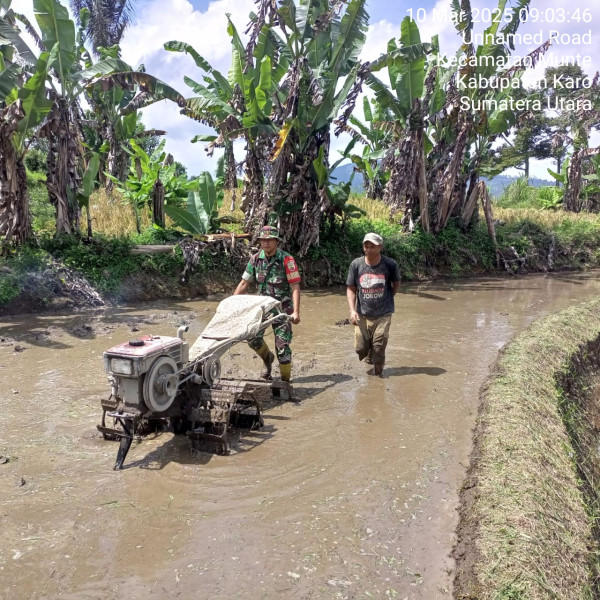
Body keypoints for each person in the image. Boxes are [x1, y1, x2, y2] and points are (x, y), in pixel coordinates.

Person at [234, 225, 301, 382]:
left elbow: (295, 286)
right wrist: (231, 303)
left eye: (270, 240)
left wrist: (296, 312)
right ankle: (267, 359)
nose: (266, 243)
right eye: (263, 240)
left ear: (276, 242)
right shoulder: (255, 259)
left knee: (283, 348)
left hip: (282, 309)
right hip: (262, 309)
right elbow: (244, 283)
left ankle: (285, 383)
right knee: (252, 339)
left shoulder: (287, 260)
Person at [346, 232, 401, 377]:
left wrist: (388, 297)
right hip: (362, 314)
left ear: (380, 247)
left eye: (372, 246)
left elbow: (396, 284)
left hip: (383, 313)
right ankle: (369, 354)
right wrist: (352, 311)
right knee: (360, 348)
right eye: (366, 246)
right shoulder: (356, 265)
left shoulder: (390, 264)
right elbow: (351, 288)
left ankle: (378, 378)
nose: (368, 249)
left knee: (378, 347)